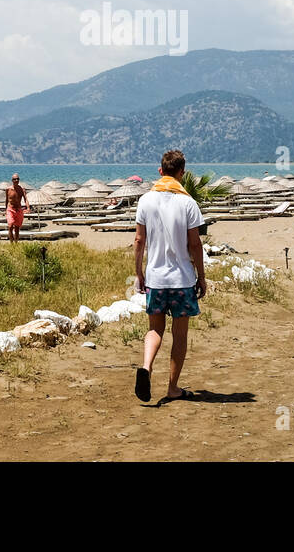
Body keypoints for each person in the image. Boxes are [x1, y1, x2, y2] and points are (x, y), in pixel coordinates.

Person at [133, 149, 206, 403]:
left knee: (155, 329)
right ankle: (173, 388)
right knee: (180, 334)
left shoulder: (145, 200)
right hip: (182, 279)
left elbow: (139, 240)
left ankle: (146, 367)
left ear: (160, 171)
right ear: (182, 174)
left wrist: (139, 273)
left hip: (155, 278)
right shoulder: (188, 203)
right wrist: (202, 277)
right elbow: (195, 245)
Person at [5, 174, 30, 243]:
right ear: (12, 180)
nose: (16, 180)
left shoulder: (22, 189)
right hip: (10, 209)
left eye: (18, 179)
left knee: (17, 228)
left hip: (19, 209)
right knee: (10, 226)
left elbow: (25, 199)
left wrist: (28, 207)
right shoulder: (8, 189)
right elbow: (7, 200)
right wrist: (5, 209)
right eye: (15, 179)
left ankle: (16, 243)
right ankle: (11, 243)